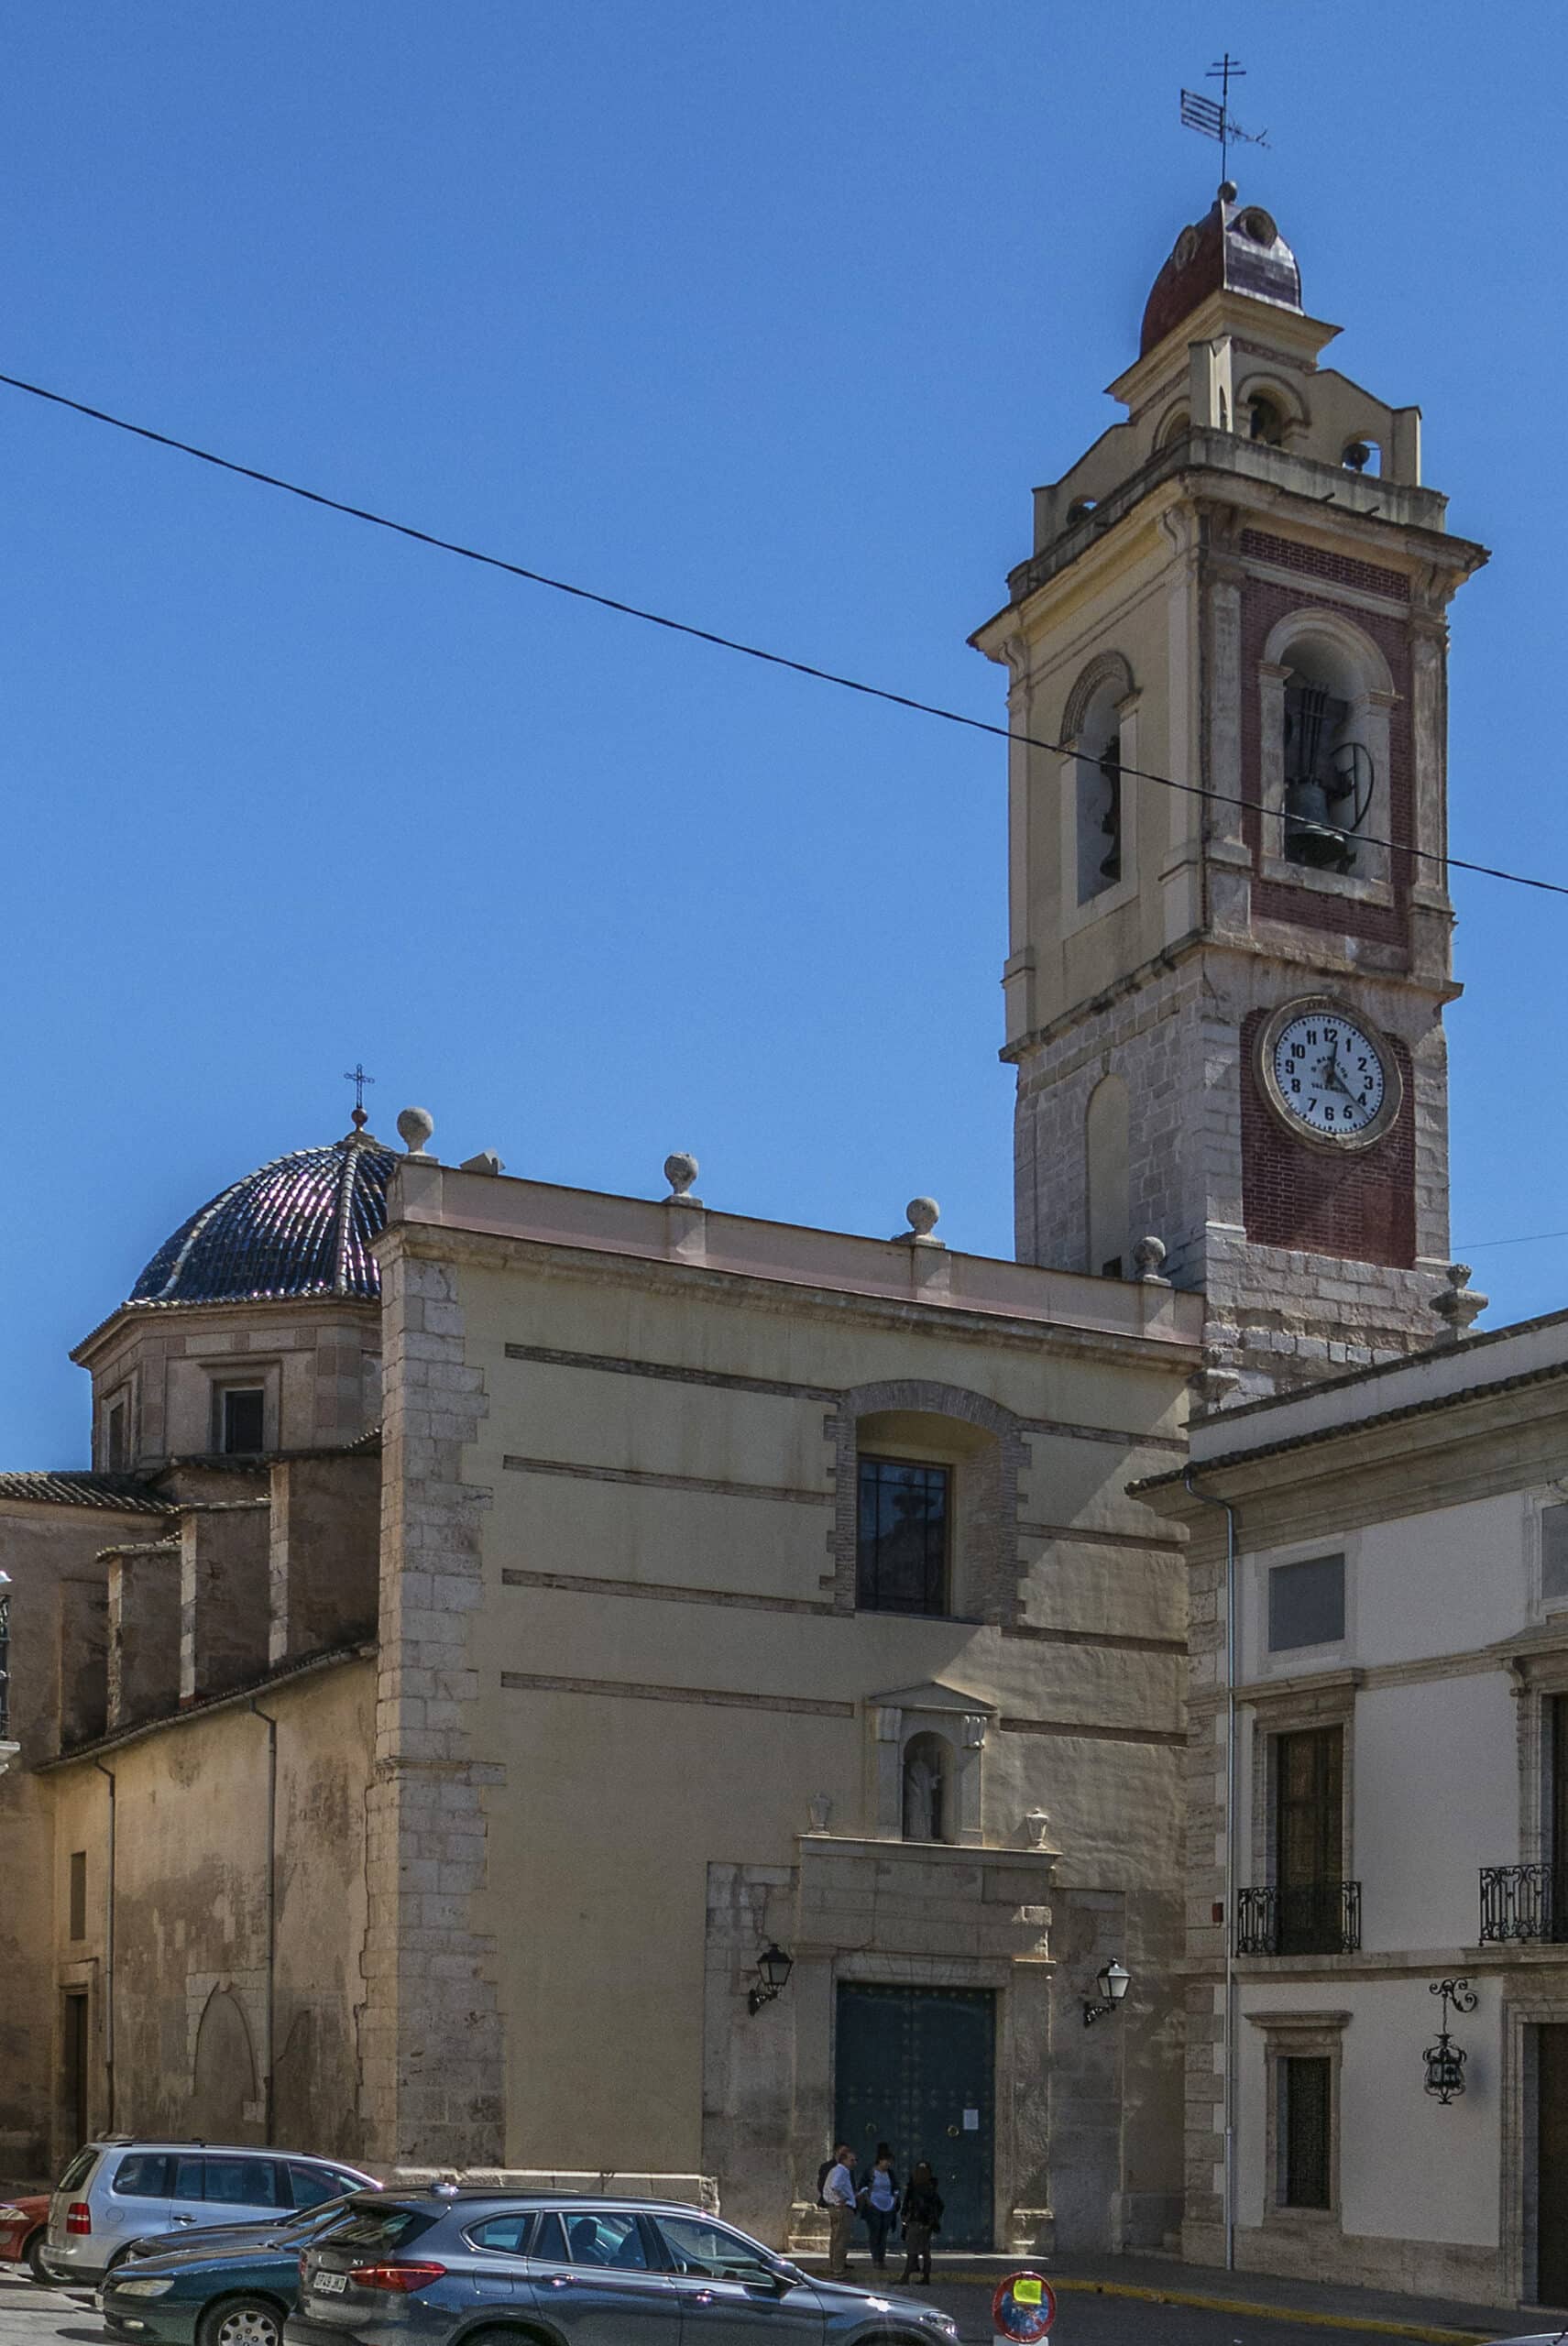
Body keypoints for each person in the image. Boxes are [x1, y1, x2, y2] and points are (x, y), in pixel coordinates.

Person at [899, 2161, 942, 2286]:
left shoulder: (917, 2188)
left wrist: (909, 2216)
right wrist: (931, 2221)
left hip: (917, 2222)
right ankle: (926, 2277)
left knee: (912, 2250)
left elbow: (914, 2206)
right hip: (926, 2224)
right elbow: (939, 2205)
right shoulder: (930, 2188)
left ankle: (905, 2277)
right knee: (925, 2250)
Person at [822, 2144, 858, 2278]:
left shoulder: (836, 2170)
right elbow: (835, 2186)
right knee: (841, 2239)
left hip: (834, 2206)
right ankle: (838, 2269)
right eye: (852, 2160)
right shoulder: (842, 2170)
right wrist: (844, 2198)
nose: (854, 2163)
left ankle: (835, 2265)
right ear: (844, 2160)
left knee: (836, 2238)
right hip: (842, 2208)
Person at [862, 2149, 899, 2269]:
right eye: (886, 2161)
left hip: (888, 2206)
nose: (888, 2164)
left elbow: (895, 2188)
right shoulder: (871, 2172)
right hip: (874, 2205)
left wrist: (894, 2200)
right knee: (875, 2232)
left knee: (884, 2233)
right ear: (880, 2161)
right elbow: (863, 2187)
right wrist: (868, 2201)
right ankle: (875, 2258)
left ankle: (881, 2259)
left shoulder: (890, 2174)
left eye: (890, 2162)